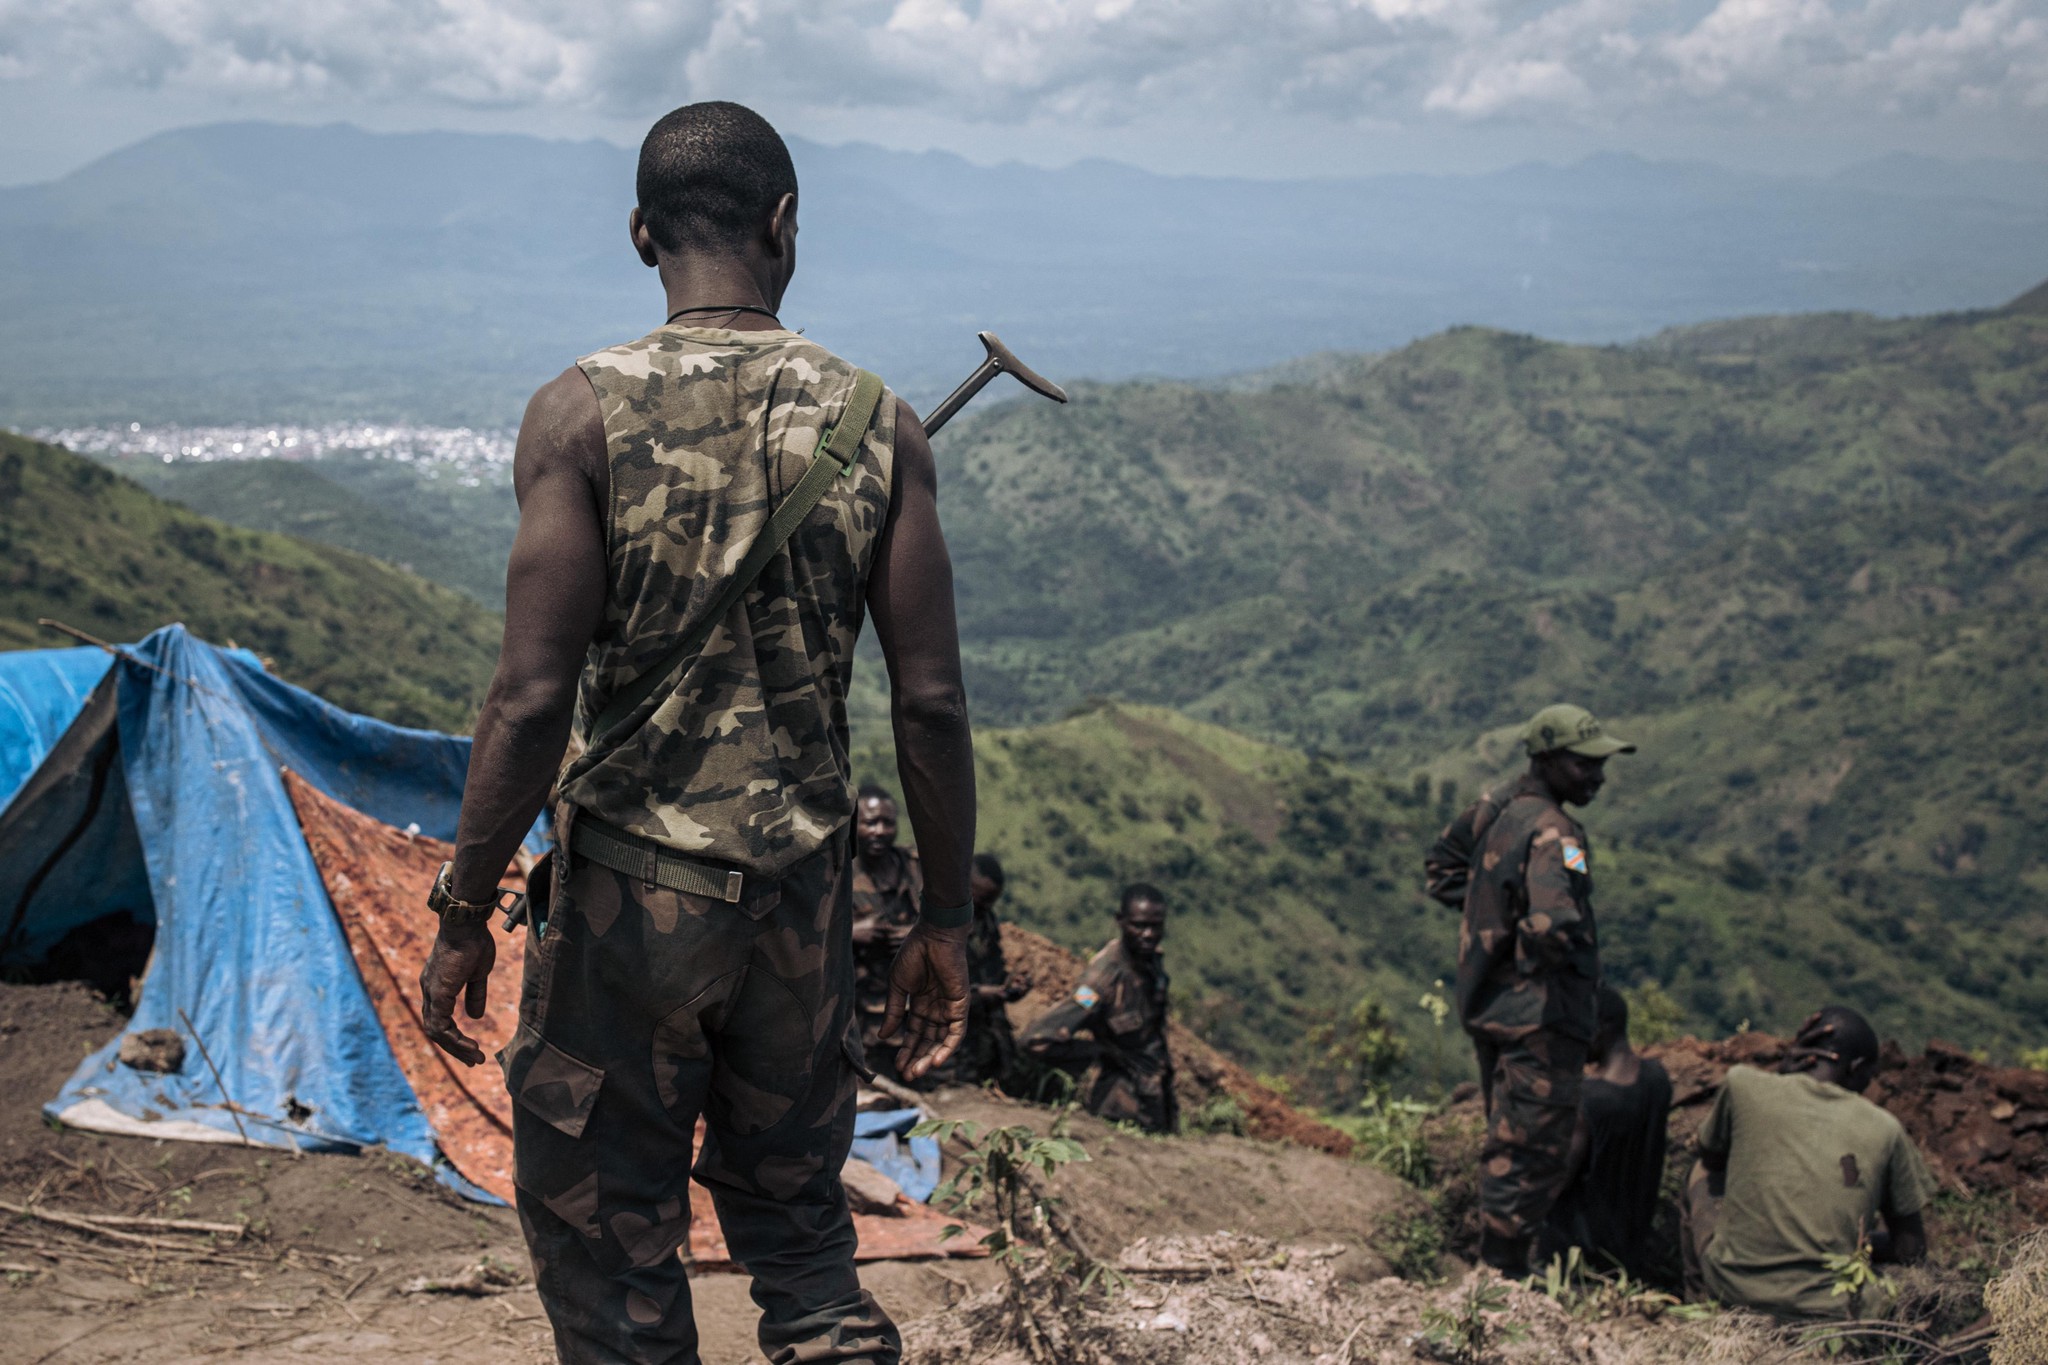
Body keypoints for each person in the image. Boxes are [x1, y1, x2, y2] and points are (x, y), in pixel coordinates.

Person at [415, 102, 977, 1365]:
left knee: (615, 1260)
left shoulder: (577, 415)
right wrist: (943, 922)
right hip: (798, 907)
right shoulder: (875, 425)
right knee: (801, 1238)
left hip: (627, 906)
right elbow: (931, 705)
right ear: (785, 226)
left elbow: (526, 696)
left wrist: (461, 912)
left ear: (638, 236)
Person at [1452, 702, 1635, 1275]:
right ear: (1549, 759)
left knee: (1509, 1142)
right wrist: (1537, 950)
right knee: (1530, 1154)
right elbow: (1557, 921)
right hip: (1540, 1020)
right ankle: (1496, 1285)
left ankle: (1498, 1275)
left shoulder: (1498, 813)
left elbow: (1444, 869)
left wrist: (1493, 934)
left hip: (1497, 1010)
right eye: (1585, 765)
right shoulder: (1558, 833)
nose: (1598, 777)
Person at [1684, 1007, 1934, 1317]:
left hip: (1735, 1287)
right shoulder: (1885, 1128)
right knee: (1916, 1282)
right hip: (1831, 1308)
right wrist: (1860, 1246)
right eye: (1868, 1079)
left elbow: (1710, 1156)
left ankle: (1700, 1305)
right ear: (1856, 1068)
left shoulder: (1742, 1084)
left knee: (1700, 1172)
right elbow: (1911, 1250)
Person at [1538, 986, 1672, 1280]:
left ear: (1600, 1027)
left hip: (1579, 1260)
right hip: (1629, 1253)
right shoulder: (1657, 1080)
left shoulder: (1587, 1102)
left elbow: (1554, 1182)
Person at [1021, 884, 1176, 1133]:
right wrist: (1100, 1052)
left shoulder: (1151, 964)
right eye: (1139, 925)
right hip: (1119, 1111)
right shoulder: (1102, 981)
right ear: (1121, 921)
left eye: (1155, 926)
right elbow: (1036, 1040)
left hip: (1155, 1099)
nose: (1148, 934)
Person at [916, 853, 1030, 1090]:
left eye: (991, 901)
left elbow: (994, 968)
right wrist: (981, 994)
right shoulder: (933, 919)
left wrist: (1010, 987)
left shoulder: (984, 920)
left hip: (980, 1039)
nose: (986, 907)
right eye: (981, 900)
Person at [851, 784, 923, 1082]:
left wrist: (915, 934)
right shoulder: (838, 870)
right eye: (870, 823)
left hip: (915, 1001)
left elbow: (951, 917)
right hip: (861, 1008)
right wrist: (852, 932)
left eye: (887, 822)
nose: (879, 831)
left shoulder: (915, 867)